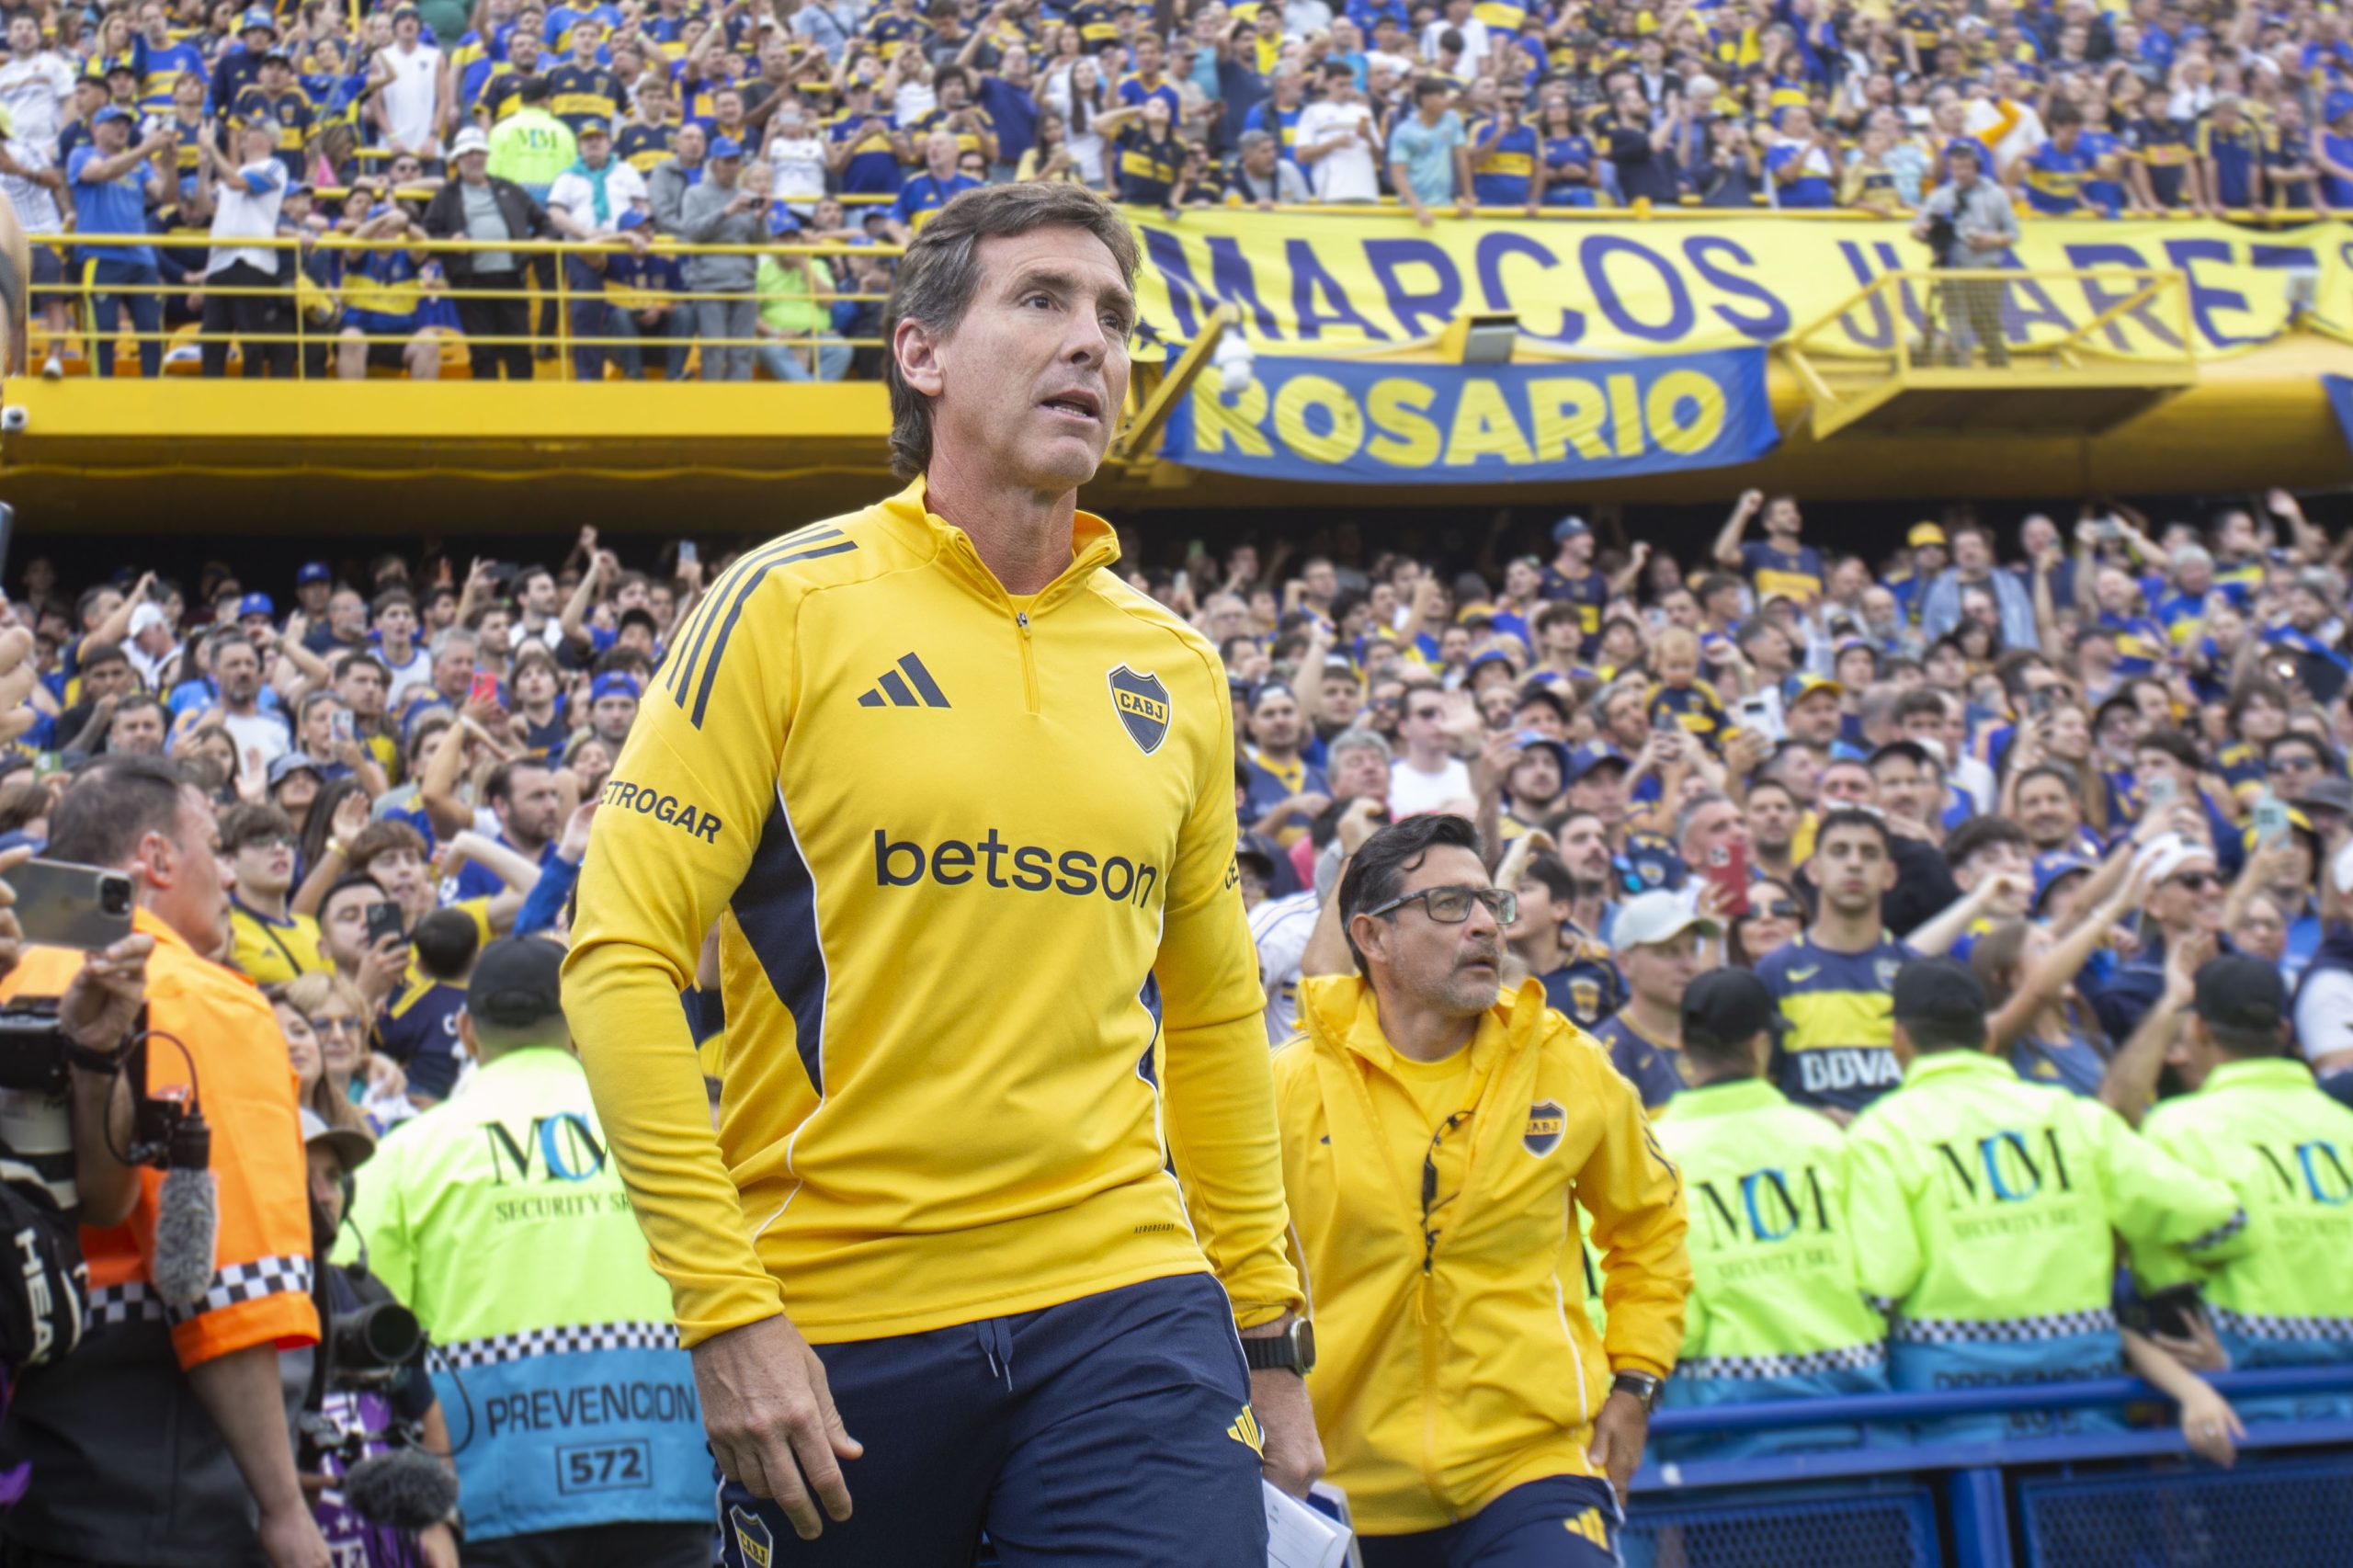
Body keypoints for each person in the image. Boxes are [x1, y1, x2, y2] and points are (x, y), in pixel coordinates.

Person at [563, 183, 1315, 1562]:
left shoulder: (1176, 667)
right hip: (841, 1318)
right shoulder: (785, 604)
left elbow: (1214, 1016)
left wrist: (1265, 1331)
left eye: (1115, 318)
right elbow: (618, 956)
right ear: (921, 352)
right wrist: (723, 1308)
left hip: (1127, 1300)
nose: (1092, 342)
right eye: (1042, 300)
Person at [1275, 813, 1689, 1562]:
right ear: (1372, 937)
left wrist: (1637, 1383)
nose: (1484, 925)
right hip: (1337, 1491)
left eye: (1490, 903)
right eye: (1448, 904)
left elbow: (1650, 1228)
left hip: (1532, 1470)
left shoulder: (1570, 1063)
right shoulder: (1285, 1088)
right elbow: (1228, 1264)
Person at [0, 756, 331, 1568]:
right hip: (166, 1462)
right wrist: (283, 1507)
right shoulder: (200, 997)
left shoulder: (13, 980)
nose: (228, 875)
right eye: (213, 846)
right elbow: (230, 1279)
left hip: (33, 1453)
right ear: (154, 858)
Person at [347, 937, 708, 1566]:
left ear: (465, 1031)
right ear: (576, 1024)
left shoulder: (404, 1157)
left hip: (489, 1490)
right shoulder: (666, 1140)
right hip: (666, 1474)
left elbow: (365, 1323)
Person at [1846, 958, 2251, 1442]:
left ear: (1899, 1041)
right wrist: (2142, 1258)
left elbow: (1881, 1282)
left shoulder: (1881, 1131)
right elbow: (2217, 1219)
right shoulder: (2072, 1115)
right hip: (2083, 1399)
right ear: (1988, 1037)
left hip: (1955, 1412)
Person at [1652, 967, 1890, 1459]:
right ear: (1761, 1045)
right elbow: (1885, 1274)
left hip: (1717, 1424)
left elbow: (1665, 1314)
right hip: (1849, 1411)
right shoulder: (1826, 1139)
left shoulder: (1655, 1155)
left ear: (1682, 1044)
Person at [2135, 955, 2353, 1420]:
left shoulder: (2175, 1127)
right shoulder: (2345, 1125)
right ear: (2285, 1032)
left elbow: (2163, 1273)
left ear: (2197, 1028)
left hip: (2240, 1406)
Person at [1754, 808, 1912, 1119]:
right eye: (1839, 852)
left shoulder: (1914, 970)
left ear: (1889, 875)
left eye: (1869, 854)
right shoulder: (1774, 972)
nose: (1854, 864)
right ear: (1814, 870)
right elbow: (1761, 1090)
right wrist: (1815, 1119)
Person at [424, 125, 557, 381]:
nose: (475, 158)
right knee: (483, 351)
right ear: (457, 159)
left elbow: (546, 223)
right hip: (471, 282)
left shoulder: (509, 188)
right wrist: (450, 241)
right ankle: (487, 404)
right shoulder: (446, 195)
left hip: (511, 278)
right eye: (468, 153)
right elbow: (427, 235)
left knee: (519, 349)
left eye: (479, 152)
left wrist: (541, 240)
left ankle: (523, 402)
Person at [1587, 889, 1713, 1111]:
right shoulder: (1604, 1056)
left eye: (1693, 950)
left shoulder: (1718, 1034)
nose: (1690, 965)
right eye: (1669, 952)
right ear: (1625, 963)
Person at [1910, 141, 2018, 367]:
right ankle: (1963, 371)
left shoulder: (1996, 194)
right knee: (1956, 325)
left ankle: (2001, 370)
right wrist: (1923, 230)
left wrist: (1990, 240)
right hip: (1951, 270)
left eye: (1966, 167)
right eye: (1956, 168)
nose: (1961, 173)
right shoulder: (1940, 196)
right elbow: (1915, 229)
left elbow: (2013, 233)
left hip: (1985, 270)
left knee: (1988, 325)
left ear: (1976, 166)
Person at [679, 135, 766, 381]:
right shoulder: (694, 194)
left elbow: (761, 242)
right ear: (714, 164)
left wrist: (760, 220)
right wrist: (726, 212)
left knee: (743, 351)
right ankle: (712, 401)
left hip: (744, 280)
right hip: (710, 282)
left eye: (736, 161)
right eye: (727, 161)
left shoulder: (749, 195)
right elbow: (691, 232)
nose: (732, 167)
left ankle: (739, 401)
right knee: (714, 349)